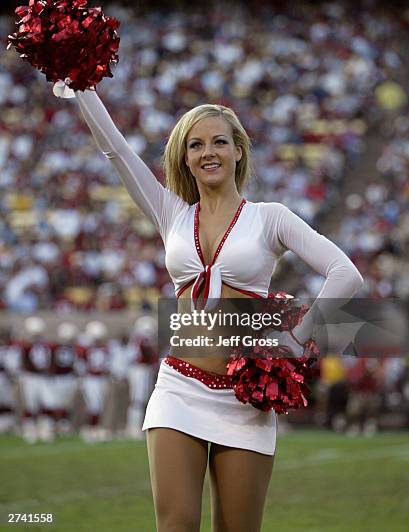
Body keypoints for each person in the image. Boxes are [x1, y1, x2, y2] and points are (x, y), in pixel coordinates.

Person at [68, 87, 363, 532]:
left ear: (239, 152)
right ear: (184, 158)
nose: (208, 152)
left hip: (244, 396)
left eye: (219, 142)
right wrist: (81, 86)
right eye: (196, 144)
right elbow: (116, 150)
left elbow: (346, 274)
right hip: (178, 388)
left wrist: (293, 339)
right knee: (175, 526)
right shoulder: (171, 213)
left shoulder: (271, 217)